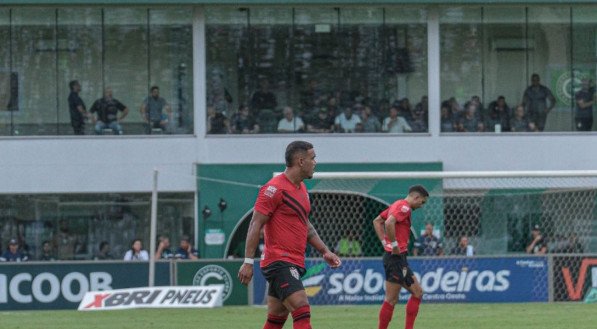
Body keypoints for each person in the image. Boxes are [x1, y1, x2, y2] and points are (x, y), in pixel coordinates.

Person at [237, 141, 342, 329]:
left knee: (276, 317)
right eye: (313, 158)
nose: (315, 162)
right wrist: (247, 261)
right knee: (302, 308)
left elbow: (306, 226)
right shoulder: (274, 188)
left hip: (294, 260)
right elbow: (255, 223)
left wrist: (325, 251)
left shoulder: (302, 190)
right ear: (301, 161)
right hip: (279, 260)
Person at [372, 185, 429, 329]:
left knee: (417, 292)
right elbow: (388, 222)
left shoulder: (396, 205)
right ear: (416, 197)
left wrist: (385, 242)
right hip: (395, 259)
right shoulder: (404, 207)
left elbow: (377, 221)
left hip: (399, 260)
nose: (421, 206)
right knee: (391, 299)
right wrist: (394, 245)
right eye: (422, 202)